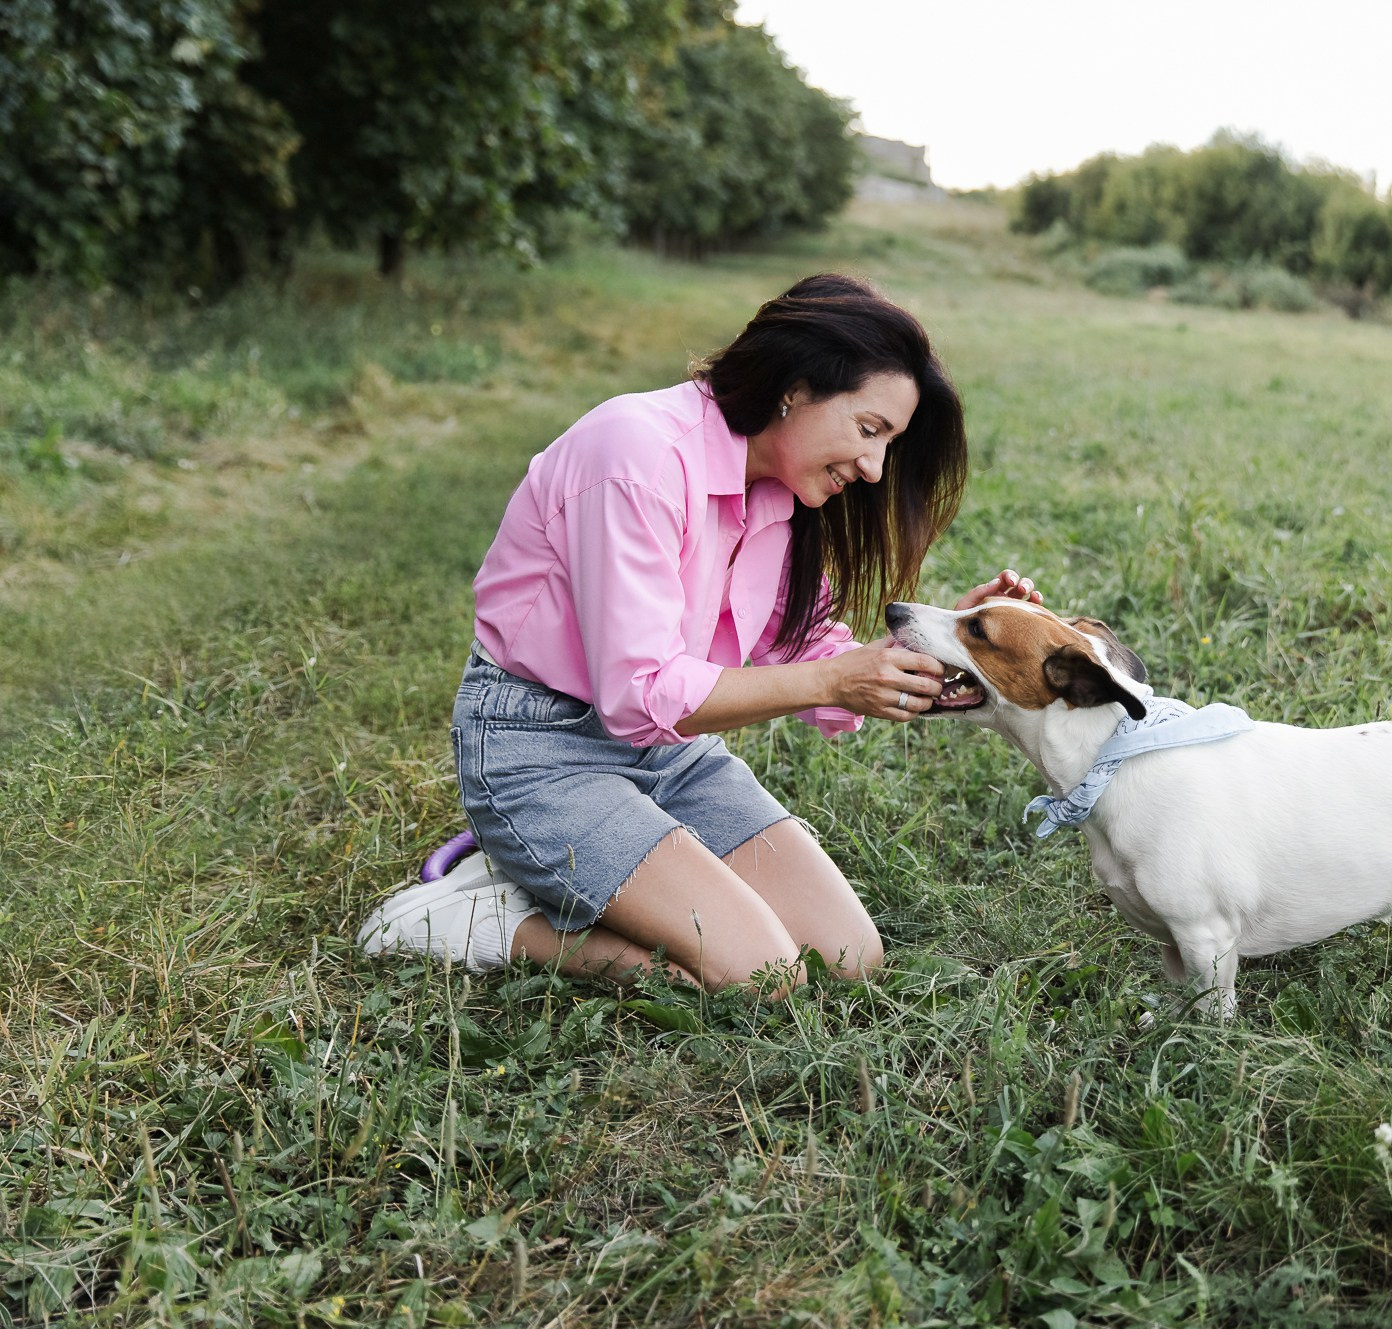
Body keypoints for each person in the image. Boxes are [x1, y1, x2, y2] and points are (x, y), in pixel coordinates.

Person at [359, 273, 1039, 992]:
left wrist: (949, 643)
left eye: (886, 445)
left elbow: (813, 658)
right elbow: (640, 692)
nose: (873, 469)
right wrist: (833, 680)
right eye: (869, 430)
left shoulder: (775, 492)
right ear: (795, 387)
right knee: (764, 975)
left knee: (848, 957)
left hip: (669, 754)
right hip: (539, 751)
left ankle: (593, 873)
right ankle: (493, 920)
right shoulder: (637, 455)